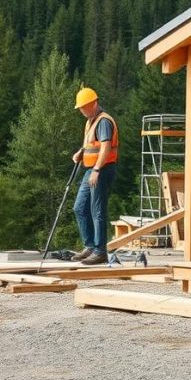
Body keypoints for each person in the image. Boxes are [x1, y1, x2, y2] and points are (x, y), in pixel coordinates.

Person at [71, 87, 118, 265]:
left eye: (84, 107)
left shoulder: (104, 121)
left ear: (94, 104)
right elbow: (92, 144)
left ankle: (100, 252)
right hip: (90, 169)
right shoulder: (91, 121)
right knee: (80, 208)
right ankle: (90, 246)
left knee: (97, 210)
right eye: (81, 107)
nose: (82, 110)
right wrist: (81, 152)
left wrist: (97, 170)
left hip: (103, 169)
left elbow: (105, 147)